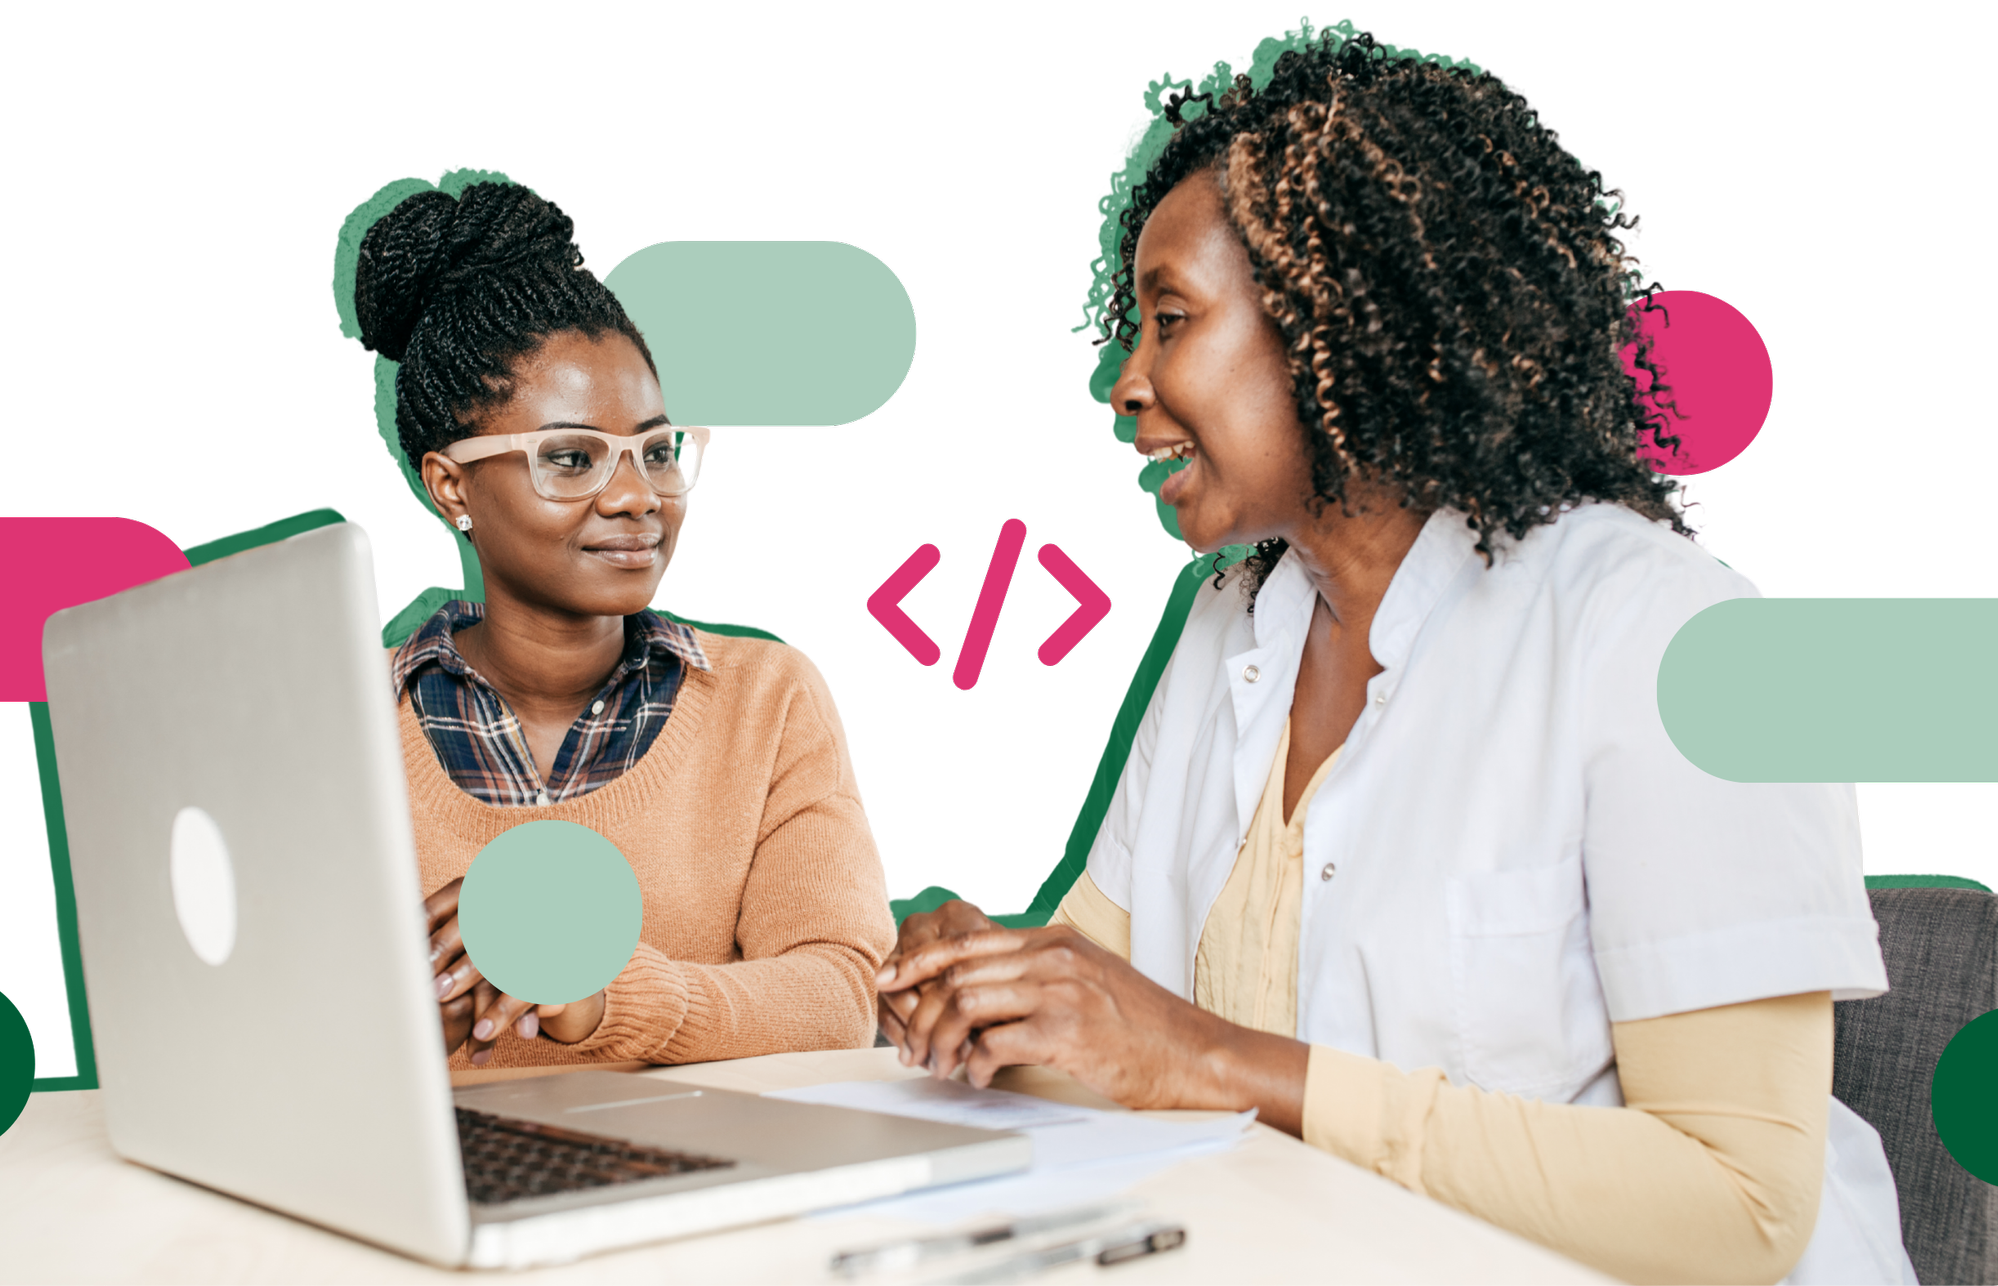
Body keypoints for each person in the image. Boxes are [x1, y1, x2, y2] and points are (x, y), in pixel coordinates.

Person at [877, 36, 1918, 1286]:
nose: (1125, 381)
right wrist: (984, 987)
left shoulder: (1668, 634)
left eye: (1170, 321)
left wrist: (1208, 1057)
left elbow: (1739, 1206)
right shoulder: (1227, 627)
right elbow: (1104, 1019)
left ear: (1331, 317)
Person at [348, 180, 894, 1071]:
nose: (639, 495)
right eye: (571, 458)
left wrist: (596, 990)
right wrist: (391, 1029)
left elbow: (839, 1000)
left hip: (694, 1159)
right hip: (432, 1157)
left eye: (657, 450)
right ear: (450, 486)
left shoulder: (768, 699)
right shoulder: (339, 722)